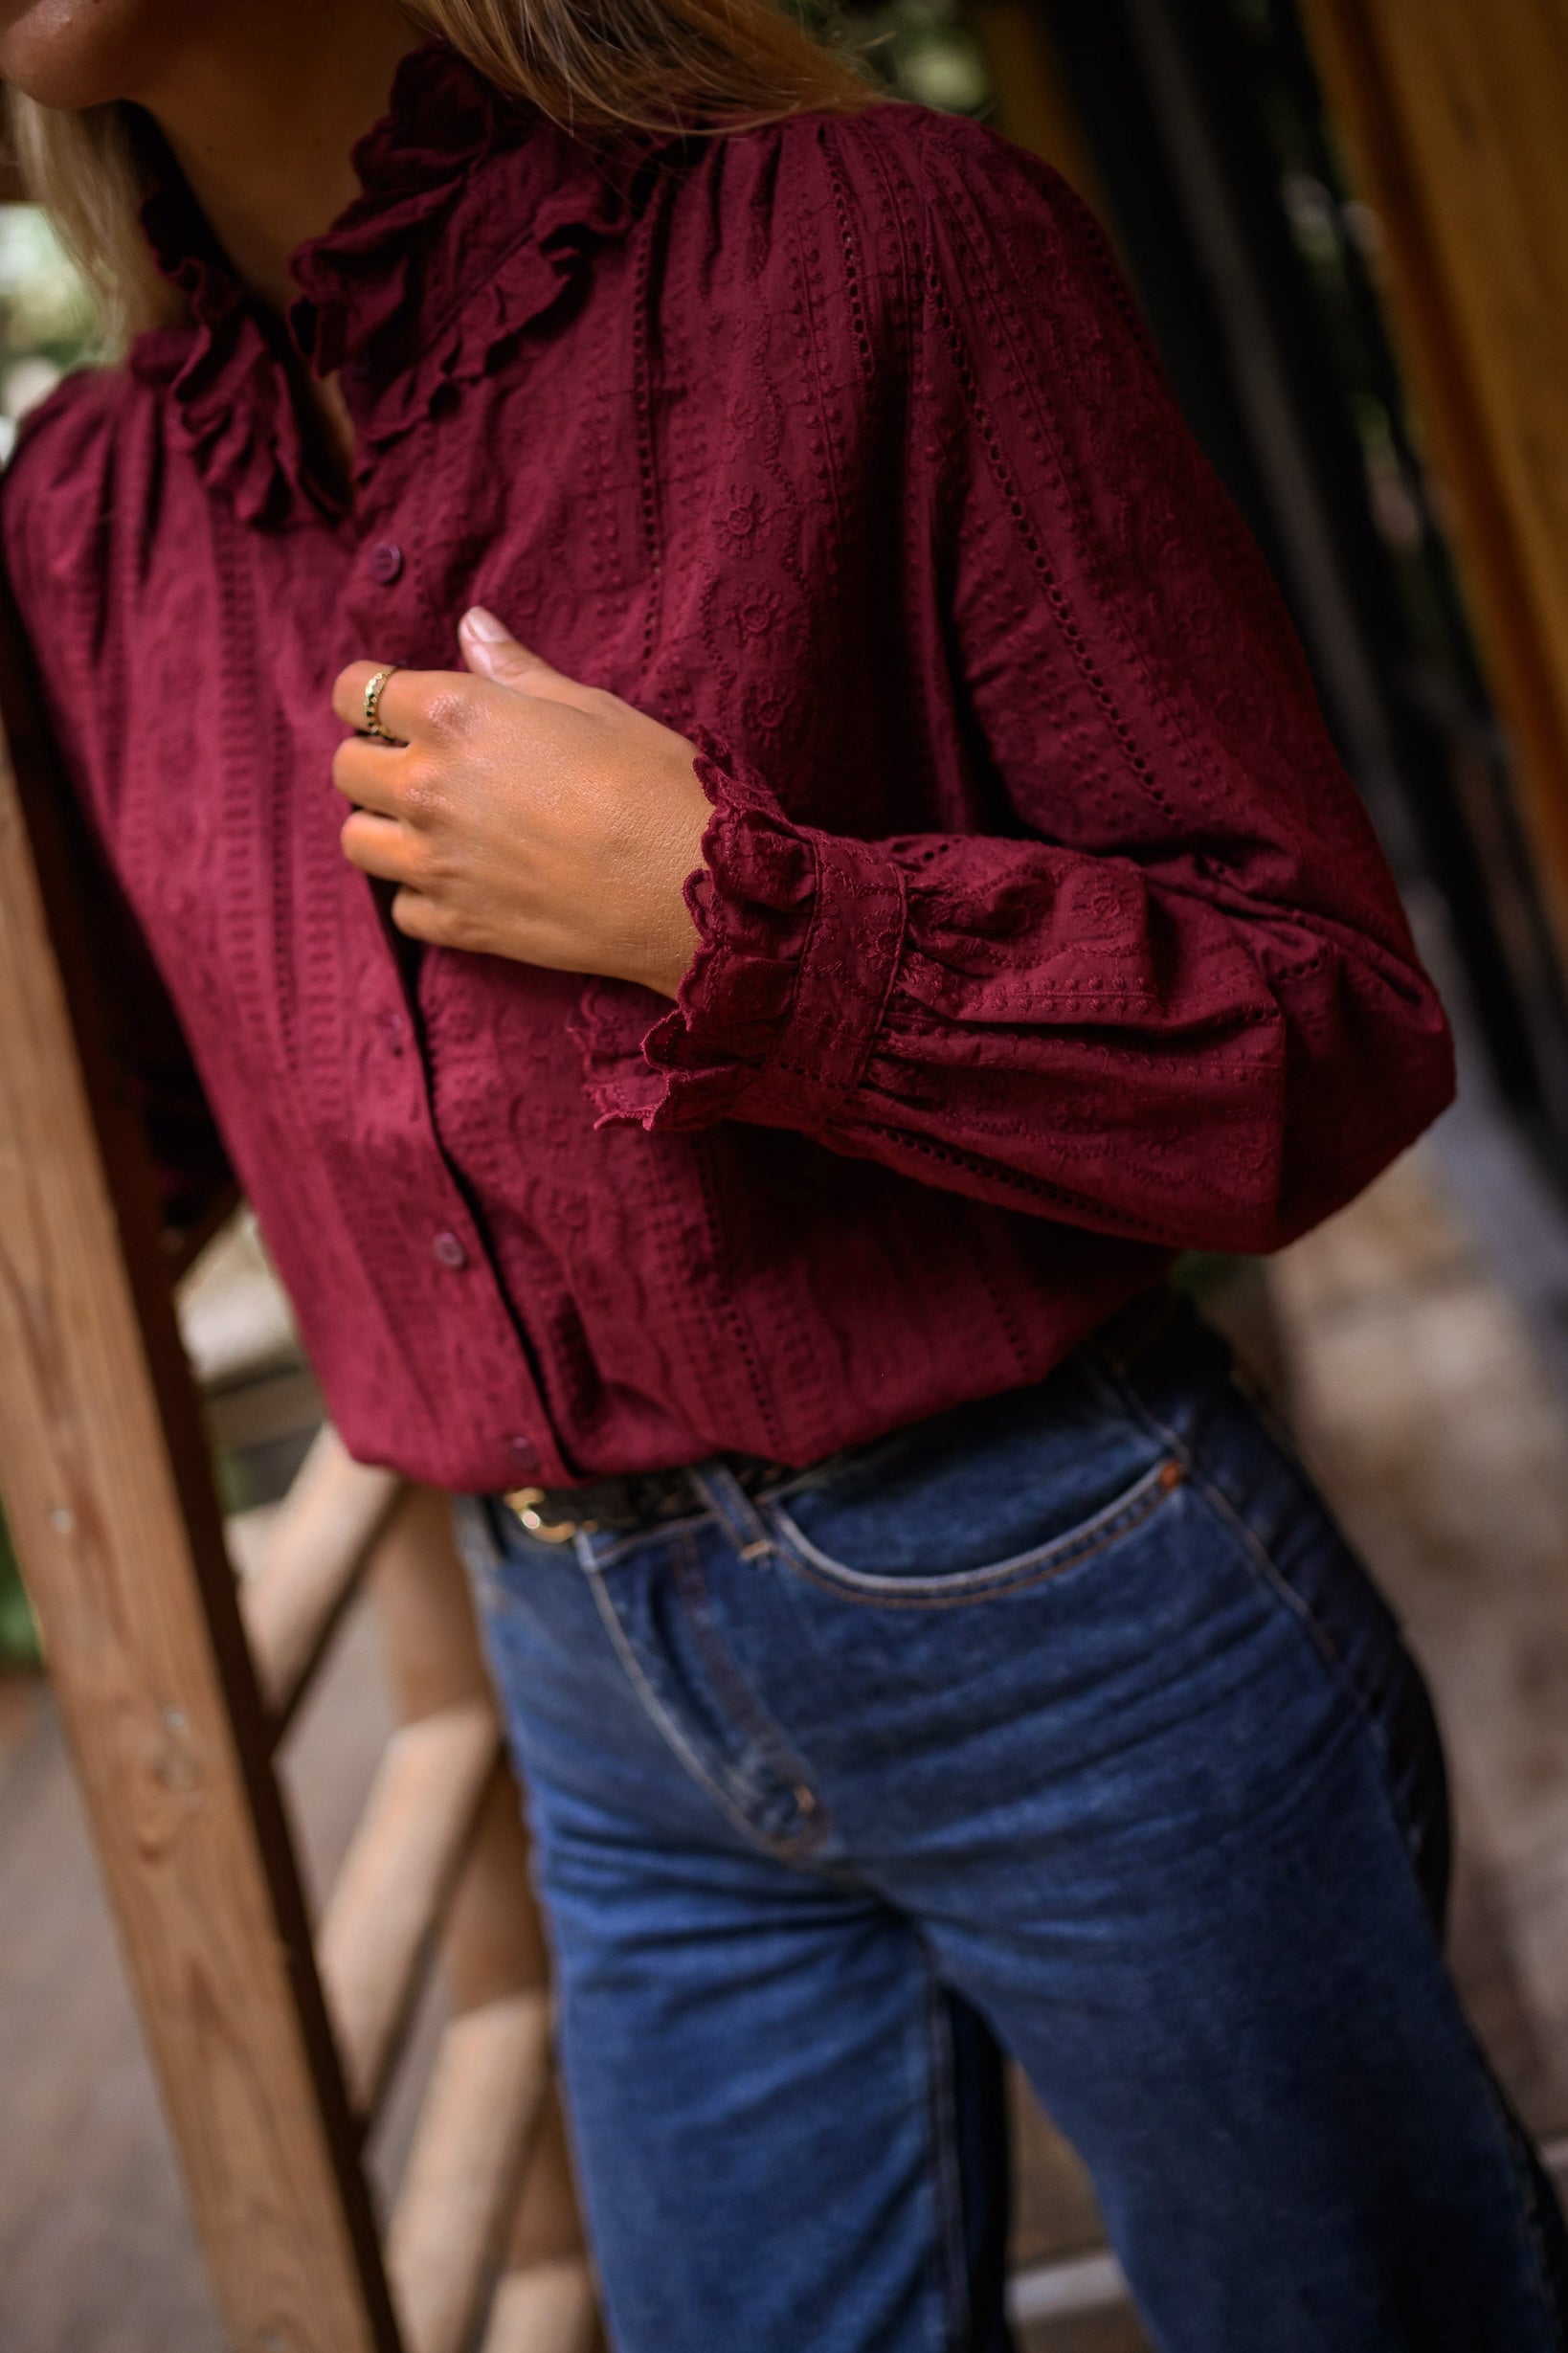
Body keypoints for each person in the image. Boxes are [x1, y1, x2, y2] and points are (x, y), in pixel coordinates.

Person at [3, 4, 1564, 2346]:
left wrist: (735, 917)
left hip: (1069, 1607)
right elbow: (134, 1143)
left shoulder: (882, 251)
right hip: (593, 1698)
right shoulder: (85, 522)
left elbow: (1321, 1030)